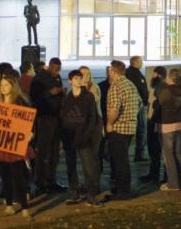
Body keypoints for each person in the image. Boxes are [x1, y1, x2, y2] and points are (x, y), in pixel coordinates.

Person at [0, 75, 33, 219]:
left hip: (15, 145)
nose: (3, 87)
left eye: (6, 85)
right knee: (5, 176)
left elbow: (27, 123)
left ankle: (24, 208)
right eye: (2, 85)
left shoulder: (20, 102)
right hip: (1, 145)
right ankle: (9, 206)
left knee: (18, 177)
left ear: (13, 86)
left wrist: (29, 134)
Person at [61, 69, 104, 205]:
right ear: (70, 81)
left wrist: (87, 134)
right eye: (76, 78)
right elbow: (63, 117)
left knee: (88, 166)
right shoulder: (67, 98)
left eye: (80, 78)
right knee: (71, 166)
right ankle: (74, 192)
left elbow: (92, 118)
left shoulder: (88, 97)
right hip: (69, 136)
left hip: (83, 137)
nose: (79, 80)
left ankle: (91, 194)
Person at [104, 61, 141, 201]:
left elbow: (114, 109)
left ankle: (123, 192)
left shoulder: (115, 87)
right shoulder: (131, 85)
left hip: (118, 128)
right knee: (123, 160)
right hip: (130, 128)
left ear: (113, 71)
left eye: (109, 70)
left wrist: (109, 123)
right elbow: (139, 103)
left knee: (119, 162)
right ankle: (122, 189)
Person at [31, 57, 66, 194]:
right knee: (44, 151)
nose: (57, 72)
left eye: (59, 70)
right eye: (55, 69)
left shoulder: (57, 78)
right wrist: (50, 93)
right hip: (44, 118)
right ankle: (40, 182)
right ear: (50, 67)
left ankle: (51, 179)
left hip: (57, 118)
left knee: (54, 152)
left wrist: (62, 94)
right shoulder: (39, 79)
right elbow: (34, 96)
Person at [157, 69, 181, 191]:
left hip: (167, 124)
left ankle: (173, 184)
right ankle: (177, 179)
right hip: (179, 123)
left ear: (171, 78)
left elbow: (160, 104)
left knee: (168, 154)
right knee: (177, 152)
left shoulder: (166, 91)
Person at [126, 56, 148, 163]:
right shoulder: (133, 74)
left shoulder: (133, 72)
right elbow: (139, 89)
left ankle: (139, 153)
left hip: (138, 104)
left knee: (140, 129)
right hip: (138, 105)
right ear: (135, 62)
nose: (142, 63)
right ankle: (139, 153)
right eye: (140, 61)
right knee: (142, 129)